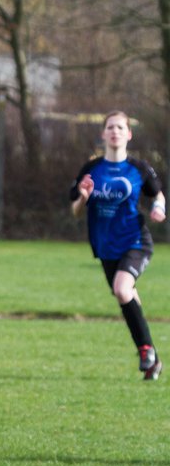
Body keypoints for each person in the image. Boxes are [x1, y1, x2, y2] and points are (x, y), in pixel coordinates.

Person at [70, 110, 166, 380]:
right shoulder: (91, 170)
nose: (115, 132)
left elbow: (157, 194)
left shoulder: (139, 169)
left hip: (135, 241)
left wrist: (158, 207)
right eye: (110, 127)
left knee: (122, 289)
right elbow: (76, 211)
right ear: (103, 134)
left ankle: (146, 349)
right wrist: (84, 198)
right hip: (105, 247)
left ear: (128, 134)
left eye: (120, 128)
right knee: (126, 294)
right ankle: (152, 358)